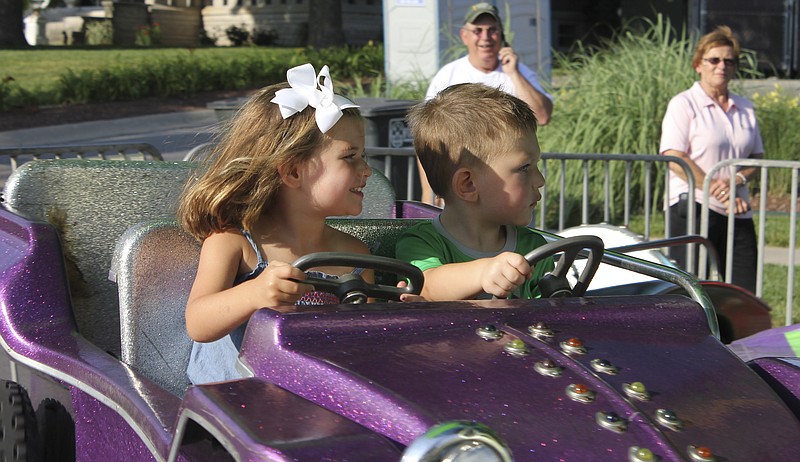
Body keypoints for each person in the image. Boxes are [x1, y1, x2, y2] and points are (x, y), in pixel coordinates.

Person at [177, 63, 419, 384]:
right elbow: (198, 322)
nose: (367, 170)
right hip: (232, 408)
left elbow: (362, 342)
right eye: (350, 157)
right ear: (292, 172)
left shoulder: (353, 257)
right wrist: (254, 294)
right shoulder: (234, 243)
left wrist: (394, 316)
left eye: (363, 156)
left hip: (315, 396)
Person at [396, 83, 554, 301]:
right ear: (468, 184)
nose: (540, 180)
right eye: (524, 168)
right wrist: (483, 272)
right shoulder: (422, 242)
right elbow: (427, 286)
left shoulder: (534, 247)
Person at [418, 1, 554, 206]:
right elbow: (427, 134)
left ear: (501, 35)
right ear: (465, 36)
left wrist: (514, 74)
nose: (485, 37)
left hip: (509, 191)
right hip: (462, 187)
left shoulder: (520, 72)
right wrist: (429, 190)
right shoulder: (448, 75)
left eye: (492, 30)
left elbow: (542, 116)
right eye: (478, 31)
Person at [660, 25, 763, 293]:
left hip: (737, 208)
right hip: (692, 206)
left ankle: (741, 337)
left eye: (729, 60)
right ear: (698, 64)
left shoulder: (745, 107)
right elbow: (673, 156)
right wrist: (715, 188)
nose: (722, 66)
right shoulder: (683, 103)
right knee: (696, 289)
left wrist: (737, 181)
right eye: (714, 59)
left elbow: (757, 156)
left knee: (743, 290)